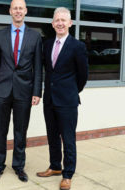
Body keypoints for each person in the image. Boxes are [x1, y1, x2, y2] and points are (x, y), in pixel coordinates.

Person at [0, 0, 42, 183]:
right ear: (10, 11)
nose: (18, 11)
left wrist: (37, 92)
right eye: (15, 8)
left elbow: (37, 67)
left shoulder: (35, 36)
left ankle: (19, 166)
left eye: (21, 8)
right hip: (2, 90)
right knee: (0, 130)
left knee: (20, 131)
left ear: (25, 11)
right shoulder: (0, 35)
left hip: (24, 92)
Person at [36, 7, 88, 190]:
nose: (60, 23)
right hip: (49, 100)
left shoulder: (78, 46)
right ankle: (55, 166)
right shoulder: (48, 44)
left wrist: (71, 92)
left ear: (70, 23)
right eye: (57, 20)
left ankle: (68, 174)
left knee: (68, 138)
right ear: (52, 23)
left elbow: (83, 76)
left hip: (67, 101)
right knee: (52, 136)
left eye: (63, 20)